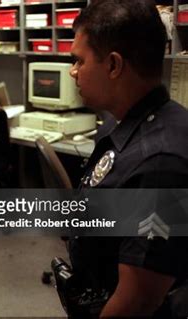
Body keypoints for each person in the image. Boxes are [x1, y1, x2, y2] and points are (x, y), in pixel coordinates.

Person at [64, 0, 188, 317]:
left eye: (78, 60)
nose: (73, 71)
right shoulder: (121, 121)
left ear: (114, 65)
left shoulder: (161, 163)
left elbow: (137, 302)